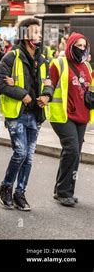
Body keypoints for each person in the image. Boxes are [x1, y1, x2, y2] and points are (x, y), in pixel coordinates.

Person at [0, 18, 54, 211]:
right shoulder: (10, 57)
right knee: (20, 152)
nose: (39, 34)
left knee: (29, 157)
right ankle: (6, 187)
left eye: (39, 31)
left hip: (36, 116)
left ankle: (20, 193)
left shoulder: (43, 59)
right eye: (35, 31)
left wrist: (46, 96)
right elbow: (2, 85)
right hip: (17, 114)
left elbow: (48, 83)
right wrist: (24, 95)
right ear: (24, 35)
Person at [49, 32, 94, 207]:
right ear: (70, 46)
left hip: (82, 116)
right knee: (72, 150)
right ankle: (63, 192)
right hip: (62, 115)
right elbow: (48, 84)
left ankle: (62, 189)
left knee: (73, 154)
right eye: (79, 45)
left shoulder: (87, 67)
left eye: (84, 46)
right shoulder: (58, 64)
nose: (82, 49)